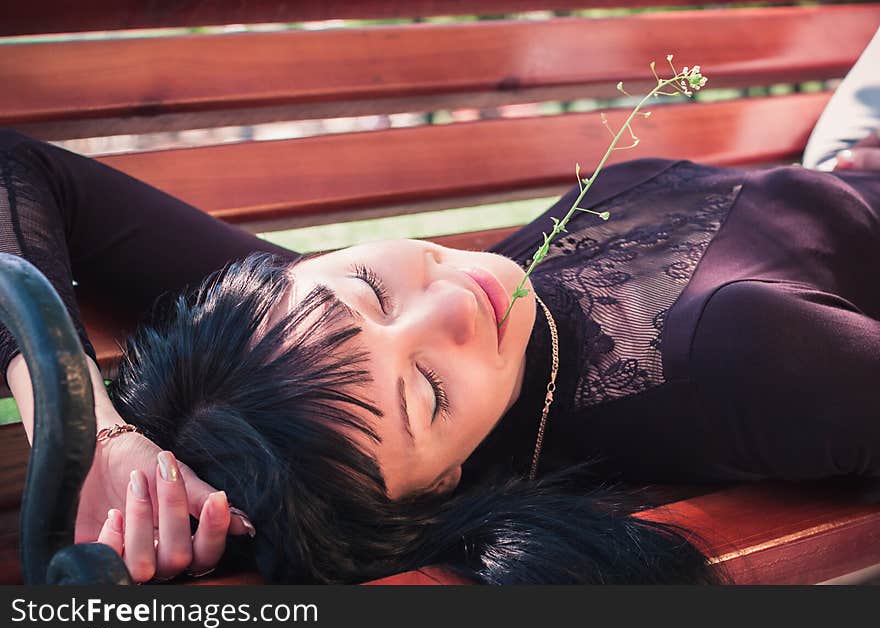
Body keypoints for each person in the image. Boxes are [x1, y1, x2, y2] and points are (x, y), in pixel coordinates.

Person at [2, 28, 879, 585]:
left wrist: (85, 430)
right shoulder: (749, 360)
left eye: (372, 289)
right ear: (446, 482)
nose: (452, 304)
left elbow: (16, 166)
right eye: (428, 390)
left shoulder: (308, 345)